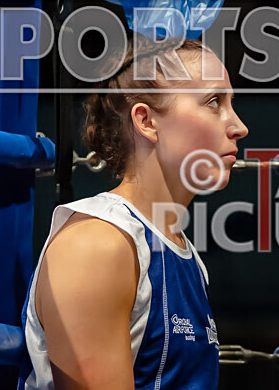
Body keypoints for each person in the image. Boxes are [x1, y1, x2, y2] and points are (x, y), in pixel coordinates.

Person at [18, 35, 248, 389]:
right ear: (147, 121)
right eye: (214, 102)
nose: (239, 127)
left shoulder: (182, 254)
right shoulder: (95, 245)